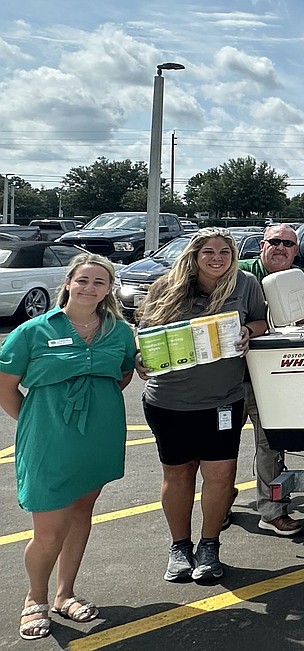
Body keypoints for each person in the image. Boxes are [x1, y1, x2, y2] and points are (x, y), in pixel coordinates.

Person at [0, 254, 136, 641]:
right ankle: (34, 599)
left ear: (109, 288)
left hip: (99, 437)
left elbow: (123, 374)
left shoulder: (120, 331)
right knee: (48, 529)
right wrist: (34, 420)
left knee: (81, 512)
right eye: (83, 280)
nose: (90, 288)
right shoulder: (32, 331)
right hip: (48, 437)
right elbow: (5, 385)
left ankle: (64, 594)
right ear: (69, 283)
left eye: (99, 282)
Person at [138, 227, 268, 583]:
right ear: (194, 256)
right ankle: (180, 547)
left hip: (223, 400)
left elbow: (261, 320)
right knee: (178, 475)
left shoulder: (245, 285)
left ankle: (210, 544)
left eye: (224, 252)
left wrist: (249, 332)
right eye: (208, 252)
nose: (217, 258)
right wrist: (140, 358)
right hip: (169, 399)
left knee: (220, 476)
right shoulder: (166, 287)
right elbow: (145, 334)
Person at [238, 223, 304, 536]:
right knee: (218, 447)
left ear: (296, 250)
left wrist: (286, 306)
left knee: (269, 444)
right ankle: (218, 505)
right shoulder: (240, 272)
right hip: (229, 373)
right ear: (261, 245)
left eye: (288, 243)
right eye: (274, 241)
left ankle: (270, 511)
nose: (281, 248)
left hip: (274, 375)